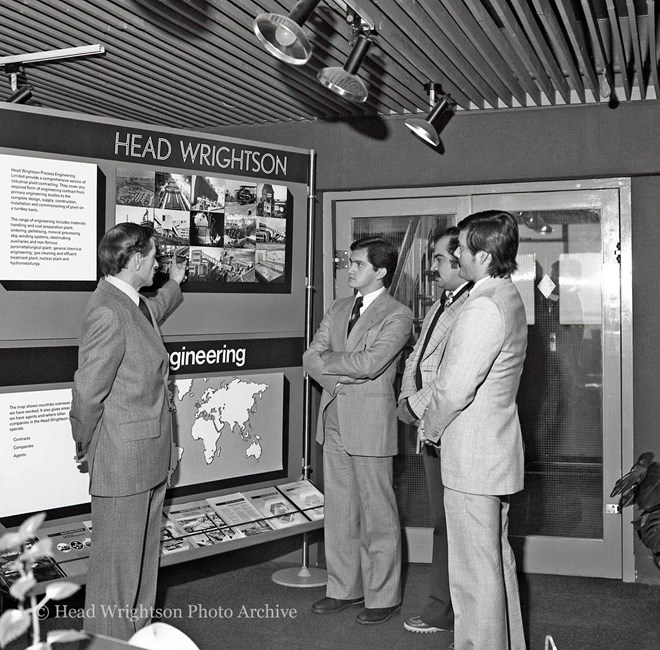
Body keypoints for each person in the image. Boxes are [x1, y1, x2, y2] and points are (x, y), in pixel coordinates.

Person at [70, 222, 186, 640]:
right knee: (115, 578)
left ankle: (135, 640)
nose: (158, 263)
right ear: (136, 259)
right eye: (155, 256)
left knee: (140, 569)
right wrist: (86, 444)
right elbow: (87, 393)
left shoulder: (130, 302)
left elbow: (153, 311)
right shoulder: (107, 311)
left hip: (147, 459)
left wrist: (173, 284)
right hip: (123, 461)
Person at [423, 211, 527, 650]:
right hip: (493, 453)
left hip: (472, 458)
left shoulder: (482, 305)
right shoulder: (508, 296)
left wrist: (429, 428)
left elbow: (453, 389)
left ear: (483, 256)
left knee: (472, 578)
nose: (457, 254)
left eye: (462, 248)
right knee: (495, 566)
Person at [303, 236, 413, 625]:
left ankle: (384, 596)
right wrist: (337, 377)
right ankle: (344, 589)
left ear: (380, 271)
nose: (349, 269)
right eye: (349, 262)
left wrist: (330, 363)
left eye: (358, 264)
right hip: (332, 419)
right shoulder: (336, 307)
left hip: (369, 425)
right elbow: (308, 357)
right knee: (339, 510)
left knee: (377, 514)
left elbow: (371, 363)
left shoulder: (398, 315)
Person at [396, 227, 472, 634]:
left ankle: (450, 612)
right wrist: (409, 399)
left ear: (462, 260)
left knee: (456, 525)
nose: (433, 267)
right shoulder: (443, 302)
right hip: (430, 428)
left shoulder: (473, 306)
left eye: (440, 259)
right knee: (442, 522)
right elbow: (418, 360)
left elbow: (453, 377)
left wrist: (414, 406)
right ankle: (445, 609)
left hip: (453, 430)